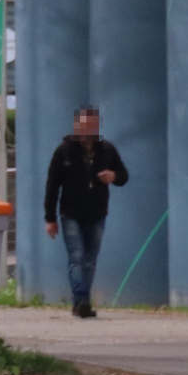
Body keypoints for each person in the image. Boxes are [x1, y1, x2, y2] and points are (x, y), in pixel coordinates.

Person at [41, 105, 129, 318]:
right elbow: (52, 186)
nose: (87, 130)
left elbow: (123, 176)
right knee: (77, 256)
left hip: (97, 213)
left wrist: (113, 176)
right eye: (83, 126)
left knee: (90, 260)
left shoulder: (107, 150)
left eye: (91, 126)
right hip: (71, 213)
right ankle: (80, 300)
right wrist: (50, 218)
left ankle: (82, 302)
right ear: (76, 127)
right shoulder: (64, 151)